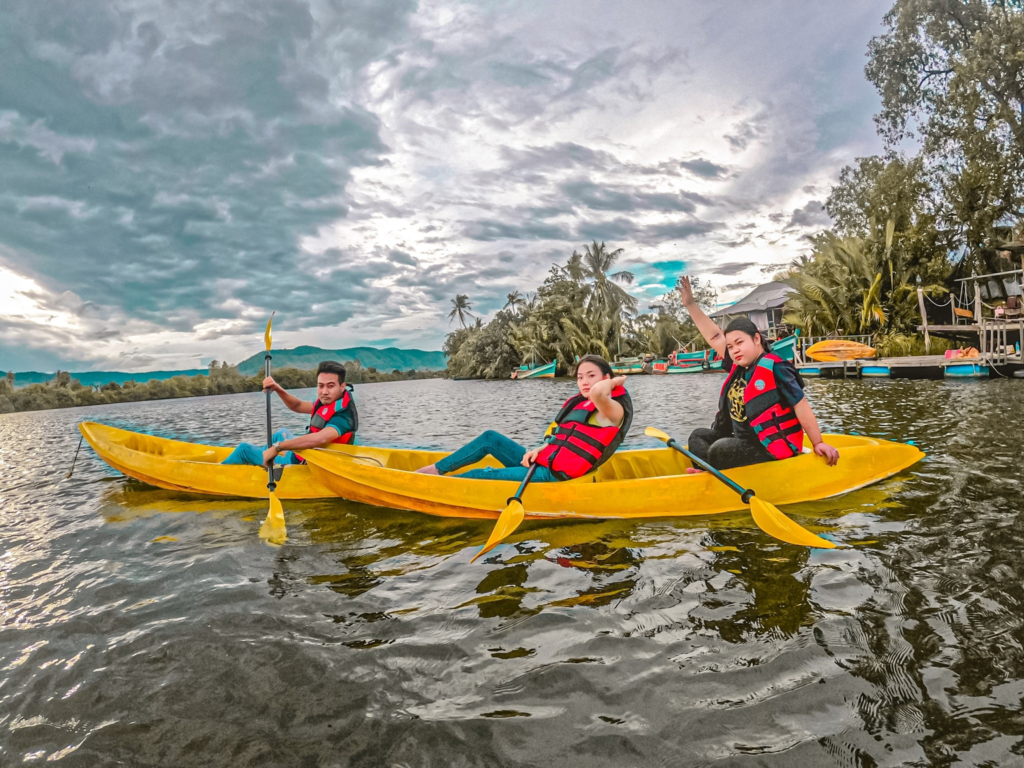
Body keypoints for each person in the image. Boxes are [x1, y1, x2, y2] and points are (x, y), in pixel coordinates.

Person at [678, 276, 839, 471]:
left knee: (719, 450)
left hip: (767, 448)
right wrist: (690, 305)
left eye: (739, 342)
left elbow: (801, 405)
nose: (734, 350)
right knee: (698, 436)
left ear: (756, 339)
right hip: (741, 441)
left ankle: (710, 474)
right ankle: (708, 473)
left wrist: (818, 443)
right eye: (730, 346)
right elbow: (714, 336)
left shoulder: (776, 368)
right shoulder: (738, 366)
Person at [415, 355, 632, 481]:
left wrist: (616, 380)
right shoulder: (577, 404)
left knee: (482, 474)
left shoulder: (612, 410)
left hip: (554, 476)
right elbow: (556, 438)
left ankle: (440, 486)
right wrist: (539, 450)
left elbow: (597, 393)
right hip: (542, 462)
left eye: (591, 376)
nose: (584, 382)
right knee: (490, 438)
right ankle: (437, 470)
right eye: (580, 377)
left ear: (605, 378)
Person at [221, 360, 358, 468]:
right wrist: (277, 388)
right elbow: (297, 406)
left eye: (330, 385)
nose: (324, 391)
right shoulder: (328, 402)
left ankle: (230, 468)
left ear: (342, 386)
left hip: (303, 464)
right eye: (320, 385)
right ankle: (264, 459)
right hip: (303, 453)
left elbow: (320, 439)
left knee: (243, 449)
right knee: (282, 432)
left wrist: (278, 447)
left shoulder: (343, 415)